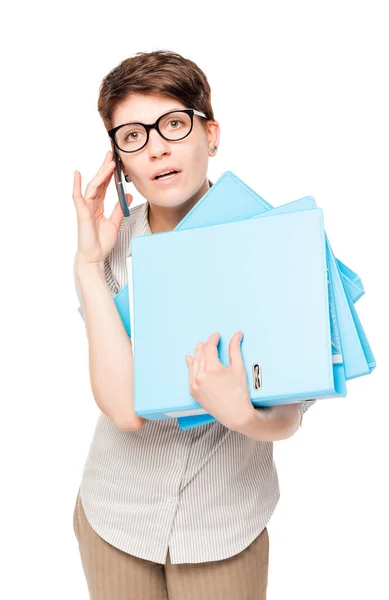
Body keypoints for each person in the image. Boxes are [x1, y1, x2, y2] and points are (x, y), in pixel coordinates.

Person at [71, 49, 316, 600]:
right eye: (132, 136)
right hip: (115, 515)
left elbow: (290, 416)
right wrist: (87, 266)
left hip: (222, 525)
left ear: (211, 134)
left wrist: (244, 416)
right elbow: (123, 410)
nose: (156, 146)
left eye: (174, 124)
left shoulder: (279, 245)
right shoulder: (108, 253)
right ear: (120, 161)